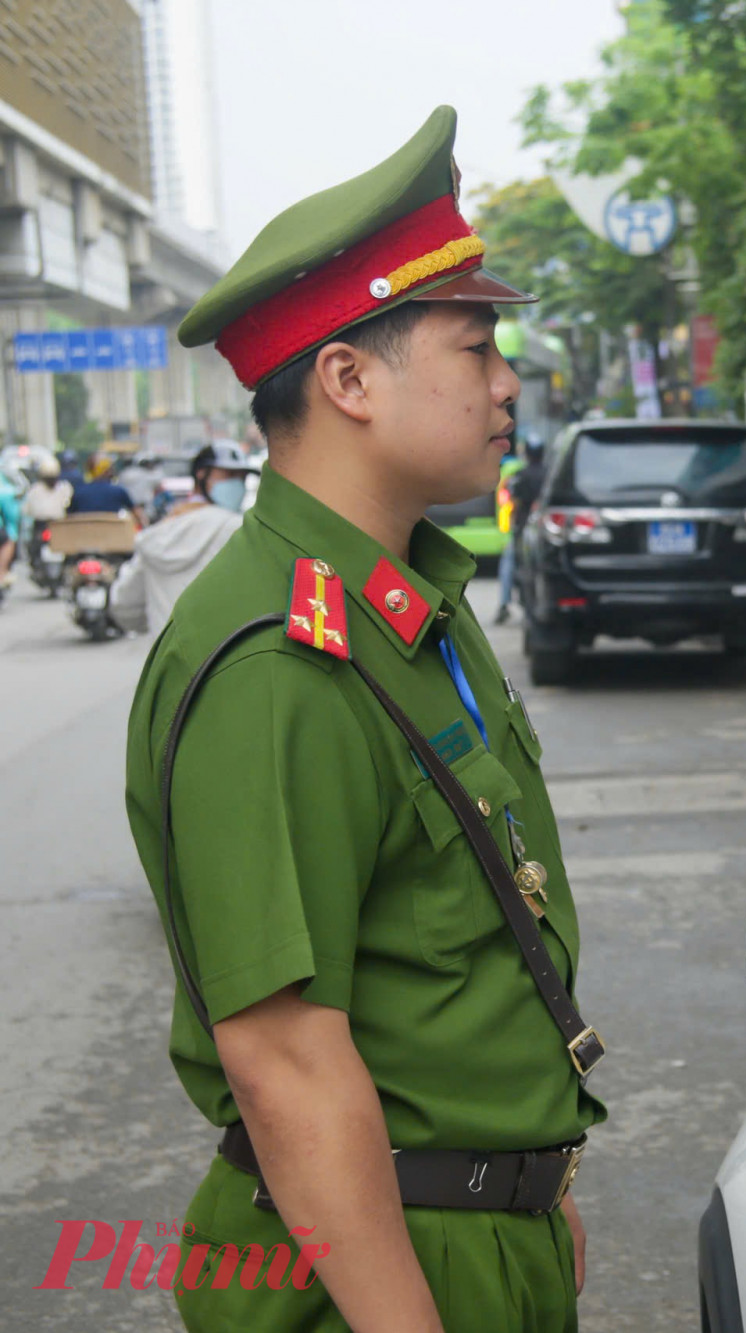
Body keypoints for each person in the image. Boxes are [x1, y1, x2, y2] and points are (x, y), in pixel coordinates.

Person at [123, 106, 604, 1332]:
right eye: (473, 344)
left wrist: (531, 1193)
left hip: (470, 1235)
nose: (507, 382)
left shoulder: (406, 606)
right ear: (347, 378)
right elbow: (284, 1060)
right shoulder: (275, 659)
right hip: (366, 1273)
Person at [108, 441, 256, 635]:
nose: (238, 484)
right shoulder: (242, 530)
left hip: (168, 662)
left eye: (242, 478)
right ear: (201, 475)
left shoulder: (158, 534)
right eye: (229, 475)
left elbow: (124, 607)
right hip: (226, 659)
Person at [494, 433, 545, 624]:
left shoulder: (520, 476)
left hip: (522, 530)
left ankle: (504, 605)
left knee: (508, 564)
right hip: (542, 533)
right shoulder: (549, 474)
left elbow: (511, 501)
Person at [66, 452, 143, 524]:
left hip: (84, 537)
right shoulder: (119, 491)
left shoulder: (78, 493)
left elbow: (69, 518)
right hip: (113, 536)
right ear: (108, 470)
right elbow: (138, 515)